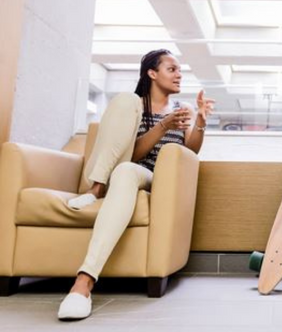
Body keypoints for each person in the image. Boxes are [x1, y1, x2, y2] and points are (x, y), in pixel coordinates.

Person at [57, 49, 215, 320]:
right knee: (126, 164)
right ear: (152, 73)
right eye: (172, 69)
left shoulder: (181, 110)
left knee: (128, 171)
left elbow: (191, 149)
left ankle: (84, 278)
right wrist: (161, 126)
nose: (179, 75)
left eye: (180, 70)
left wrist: (200, 119)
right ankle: (83, 280)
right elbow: (131, 155)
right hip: (126, 171)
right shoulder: (134, 107)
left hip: (156, 179)